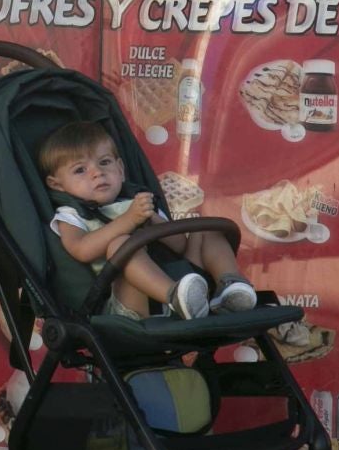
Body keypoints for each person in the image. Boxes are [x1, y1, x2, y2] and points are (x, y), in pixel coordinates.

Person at [39, 121, 257, 321]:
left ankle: (229, 286)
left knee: (206, 229)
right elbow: (81, 250)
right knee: (120, 244)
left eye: (104, 162)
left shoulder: (139, 200)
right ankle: (173, 296)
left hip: (186, 284)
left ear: (121, 170)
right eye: (80, 170)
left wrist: (151, 219)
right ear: (57, 185)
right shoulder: (70, 214)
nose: (97, 173)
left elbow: (180, 245)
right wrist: (128, 220)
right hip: (129, 303)